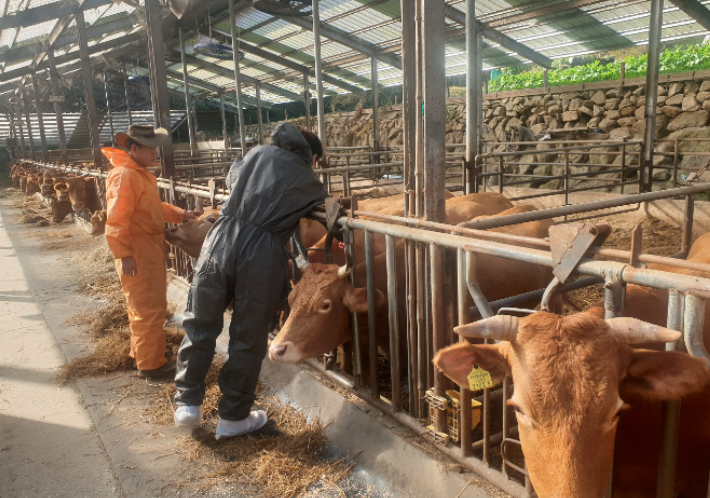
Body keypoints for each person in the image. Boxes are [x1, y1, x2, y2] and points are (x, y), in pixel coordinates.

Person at [173, 122, 327, 439]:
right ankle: (233, 418)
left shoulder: (254, 154)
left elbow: (232, 178)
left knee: (200, 320)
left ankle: (187, 403)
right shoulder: (307, 178)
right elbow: (319, 207)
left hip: (220, 238)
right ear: (310, 156)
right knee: (248, 333)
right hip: (262, 250)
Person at [103, 124, 202, 379]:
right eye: (150, 150)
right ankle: (151, 366)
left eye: (156, 149)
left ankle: (144, 354)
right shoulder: (124, 175)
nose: (155, 155)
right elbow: (116, 219)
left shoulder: (138, 174)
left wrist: (181, 214)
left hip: (147, 246)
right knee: (147, 309)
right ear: (134, 148)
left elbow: (153, 207)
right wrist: (124, 254)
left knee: (149, 306)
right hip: (137, 250)